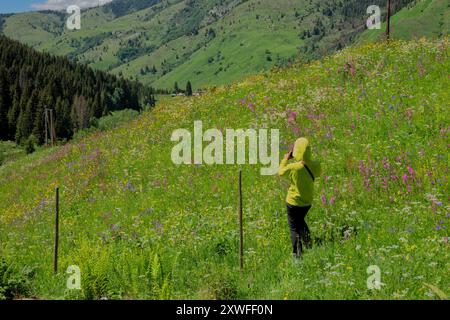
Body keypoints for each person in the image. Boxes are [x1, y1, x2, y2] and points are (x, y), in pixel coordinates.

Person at [278, 138, 321, 258]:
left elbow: (280, 172)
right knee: (300, 221)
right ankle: (308, 244)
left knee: (294, 228)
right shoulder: (316, 165)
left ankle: (297, 255)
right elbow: (317, 173)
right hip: (307, 203)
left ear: (296, 150)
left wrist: (285, 159)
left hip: (293, 203)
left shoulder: (294, 167)